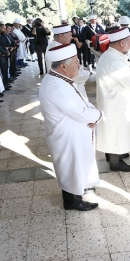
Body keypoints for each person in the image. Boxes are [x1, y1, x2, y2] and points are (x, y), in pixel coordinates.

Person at [39, 44, 102, 211]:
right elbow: (79, 112)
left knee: (73, 165)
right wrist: (99, 115)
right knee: (71, 166)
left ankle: (75, 196)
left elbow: (79, 102)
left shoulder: (57, 78)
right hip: (68, 134)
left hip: (69, 131)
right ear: (63, 66)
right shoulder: (57, 86)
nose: (79, 65)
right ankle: (73, 202)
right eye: (76, 62)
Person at [96, 28, 130, 172]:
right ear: (122, 43)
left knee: (114, 131)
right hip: (116, 103)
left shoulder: (110, 56)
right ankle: (115, 163)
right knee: (117, 131)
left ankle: (113, 154)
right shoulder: (113, 60)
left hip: (113, 101)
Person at [47, 24, 91, 99]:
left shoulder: (53, 45)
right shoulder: (58, 50)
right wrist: (87, 73)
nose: (71, 38)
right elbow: (73, 74)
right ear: (61, 36)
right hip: (68, 87)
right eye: (69, 35)